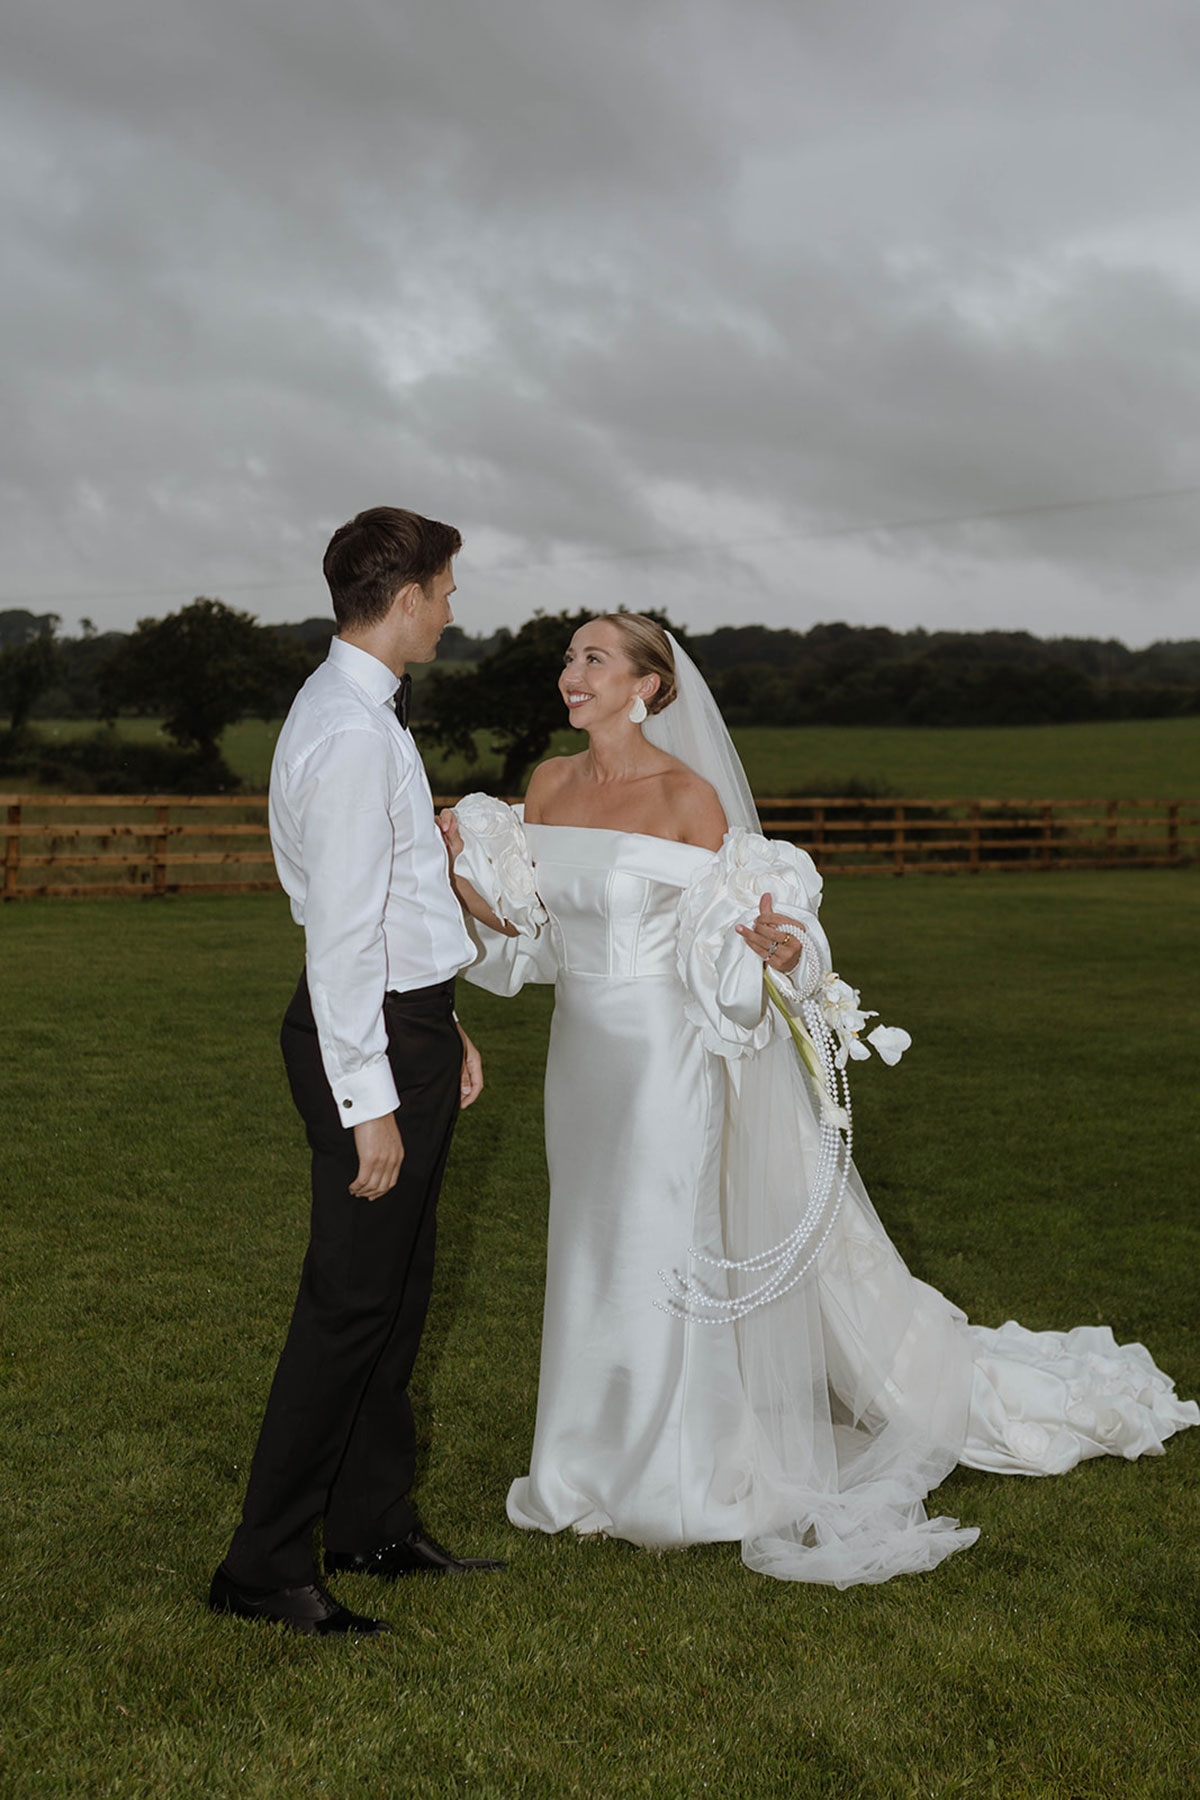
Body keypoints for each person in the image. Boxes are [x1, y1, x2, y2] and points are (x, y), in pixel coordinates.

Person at [439, 613, 1197, 1589]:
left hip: (668, 1058)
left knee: (661, 1247)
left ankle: (680, 1472)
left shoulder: (689, 799)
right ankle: (580, 1462)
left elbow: (733, 940)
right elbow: (537, 938)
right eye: (569, 658)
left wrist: (781, 952)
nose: (569, 673)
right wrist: (464, 873)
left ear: (647, 688)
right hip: (581, 1058)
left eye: (593, 659)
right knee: (589, 1246)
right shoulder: (547, 784)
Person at [210, 506, 504, 1637]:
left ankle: (372, 1524)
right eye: (446, 590)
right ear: (406, 596)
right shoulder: (342, 731)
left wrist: (447, 1023)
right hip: (364, 1044)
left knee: (397, 1295)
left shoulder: (367, 713)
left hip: (405, 1024)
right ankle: (262, 1565)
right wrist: (369, 1103)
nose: (450, 610)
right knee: (346, 1308)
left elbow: (395, 907)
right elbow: (335, 938)